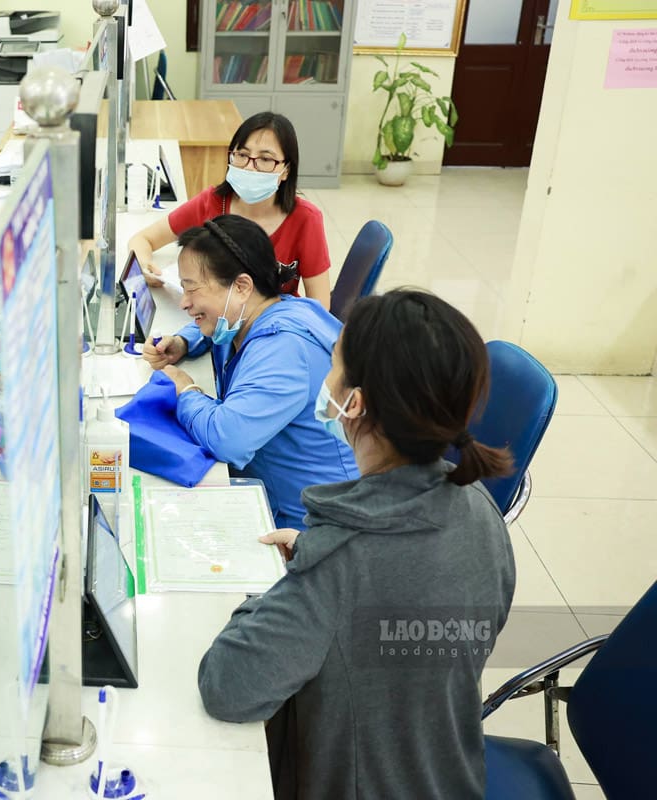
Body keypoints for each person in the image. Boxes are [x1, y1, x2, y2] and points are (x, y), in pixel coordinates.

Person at [197, 289, 517, 800]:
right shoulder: (479, 506)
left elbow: (228, 686)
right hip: (448, 775)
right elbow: (411, 610)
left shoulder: (342, 558)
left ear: (355, 402)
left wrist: (283, 593)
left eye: (334, 363)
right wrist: (328, 570)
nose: (326, 378)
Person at [142, 214, 357, 529]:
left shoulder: (283, 349)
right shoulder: (275, 309)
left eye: (192, 289)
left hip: (312, 524)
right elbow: (217, 328)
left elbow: (229, 439)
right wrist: (183, 341)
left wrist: (185, 391)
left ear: (242, 286)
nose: (185, 304)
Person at [128, 112, 332, 308]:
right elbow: (143, 239)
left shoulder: (305, 218)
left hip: (272, 329)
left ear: (286, 170)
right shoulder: (212, 202)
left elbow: (320, 307)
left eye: (266, 159)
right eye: (242, 155)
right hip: (214, 321)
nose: (250, 167)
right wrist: (144, 267)